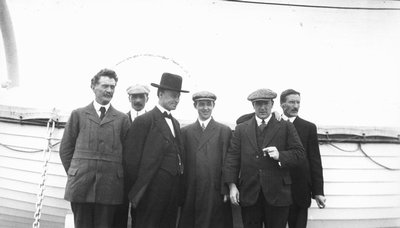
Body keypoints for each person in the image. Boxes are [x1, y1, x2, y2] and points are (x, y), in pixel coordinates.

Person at [223, 88, 305, 228]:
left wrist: (280, 155)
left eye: (266, 103)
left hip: (278, 195)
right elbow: (232, 158)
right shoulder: (241, 129)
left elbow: (299, 154)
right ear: (253, 106)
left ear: (272, 104)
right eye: (258, 103)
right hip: (249, 194)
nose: (262, 107)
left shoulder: (285, 126)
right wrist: (232, 185)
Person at [59, 68, 130, 228]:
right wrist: (76, 173)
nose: (109, 90)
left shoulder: (122, 119)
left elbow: (128, 156)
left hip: (109, 189)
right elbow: (65, 150)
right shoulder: (78, 114)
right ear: (93, 87)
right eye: (105, 86)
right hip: (80, 187)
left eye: (112, 87)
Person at [124, 72, 189, 228]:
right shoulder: (143, 121)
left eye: (178, 96)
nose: (177, 100)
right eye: (173, 95)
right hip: (149, 195)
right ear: (160, 94)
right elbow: (130, 162)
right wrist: (140, 190)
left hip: (171, 196)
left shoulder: (176, 124)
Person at [178, 91, 233, 228]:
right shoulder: (186, 132)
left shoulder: (224, 131)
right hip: (192, 190)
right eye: (201, 104)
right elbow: (181, 164)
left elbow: (229, 162)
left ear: (213, 105)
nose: (205, 108)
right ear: (195, 106)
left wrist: (226, 188)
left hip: (215, 191)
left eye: (209, 104)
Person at [280, 89, 326, 228]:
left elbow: (315, 160)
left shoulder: (308, 127)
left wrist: (318, 192)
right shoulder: (274, 124)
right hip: (277, 190)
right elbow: (243, 120)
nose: (296, 106)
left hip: (300, 190)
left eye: (298, 102)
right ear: (282, 104)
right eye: (291, 102)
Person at [113, 84, 151, 228]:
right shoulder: (121, 119)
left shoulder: (151, 121)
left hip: (141, 179)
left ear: (147, 98)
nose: (138, 100)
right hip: (121, 177)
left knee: (140, 215)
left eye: (141, 96)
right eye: (134, 97)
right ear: (129, 98)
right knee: (118, 214)